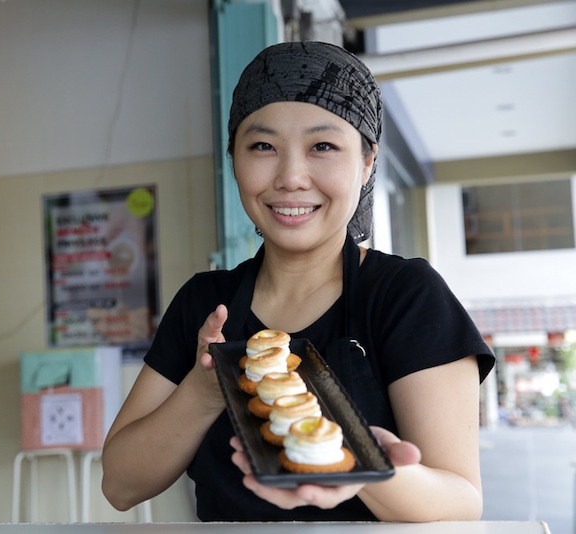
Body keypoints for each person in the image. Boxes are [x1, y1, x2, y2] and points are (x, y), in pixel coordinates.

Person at [101, 40, 495, 522]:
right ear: (234, 159)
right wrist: (205, 389)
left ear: (367, 161)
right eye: (263, 146)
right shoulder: (204, 302)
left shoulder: (405, 296)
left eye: (323, 146)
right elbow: (120, 484)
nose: (290, 177)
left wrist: (359, 465)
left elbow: (461, 503)